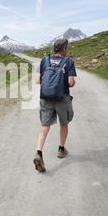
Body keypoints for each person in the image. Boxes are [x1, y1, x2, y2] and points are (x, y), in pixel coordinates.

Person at [33, 38, 77, 173]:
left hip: (46, 98)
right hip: (62, 98)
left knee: (44, 126)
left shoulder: (44, 60)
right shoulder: (68, 62)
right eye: (67, 47)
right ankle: (61, 149)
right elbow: (70, 83)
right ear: (63, 48)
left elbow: (37, 80)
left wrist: (49, 84)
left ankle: (38, 153)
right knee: (64, 124)